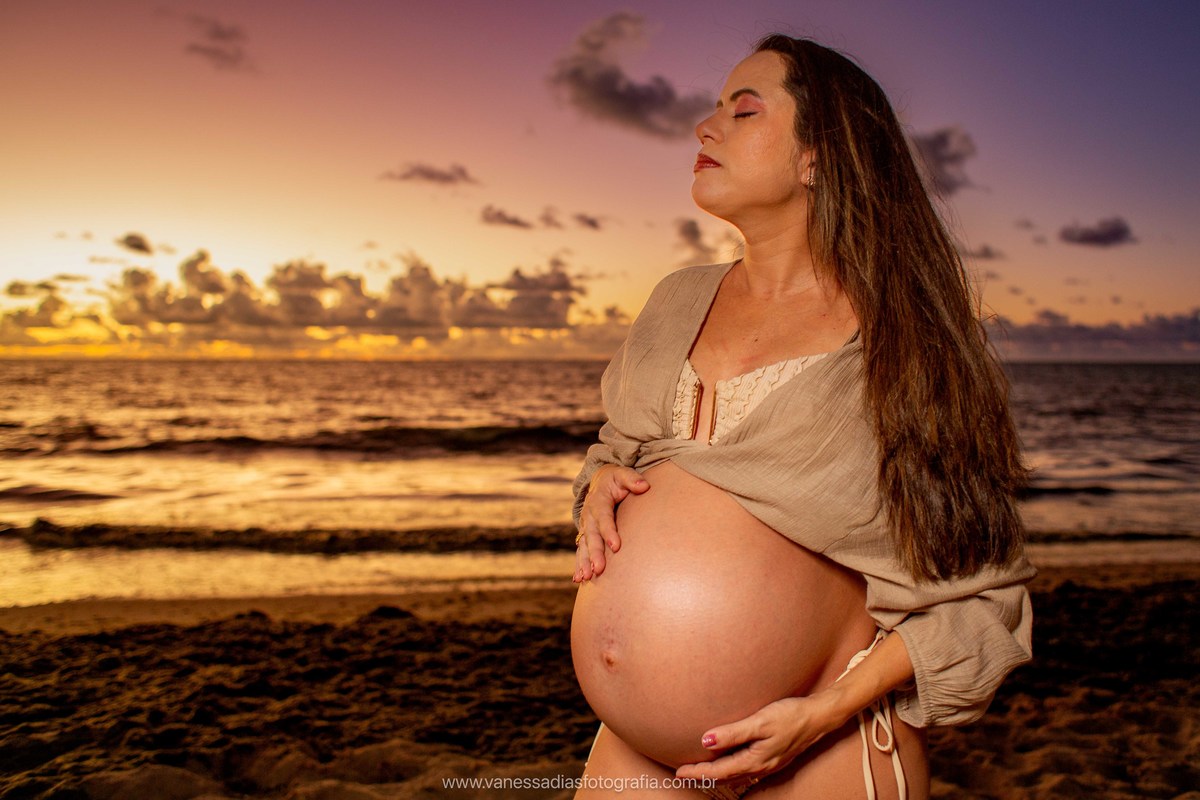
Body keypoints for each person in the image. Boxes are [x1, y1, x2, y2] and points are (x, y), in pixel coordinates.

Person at [568, 34, 1035, 800]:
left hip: (822, 750)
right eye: (715, 107)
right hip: (632, 753)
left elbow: (979, 597)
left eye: (742, 111)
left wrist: (822, 713)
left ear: (819, 156)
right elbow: (614, 449)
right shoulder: (675, 300)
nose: (704, 127)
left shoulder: (906, 345)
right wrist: (600, 490)